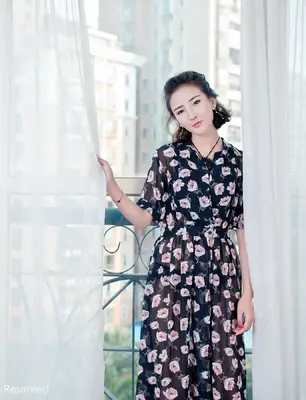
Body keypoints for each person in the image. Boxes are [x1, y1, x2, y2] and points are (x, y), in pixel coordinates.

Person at [97, 71, 254, 400]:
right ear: (176, 118)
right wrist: (112, 188)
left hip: (222, 279)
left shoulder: (239, 164)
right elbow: (144, 218)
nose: (191, 114)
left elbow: (243, 232)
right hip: (171, 278)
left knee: (222, 370)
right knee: (169, 371)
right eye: (180, 110)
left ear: (212, 101)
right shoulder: (167, 158)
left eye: (195, 103)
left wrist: (247, 296)